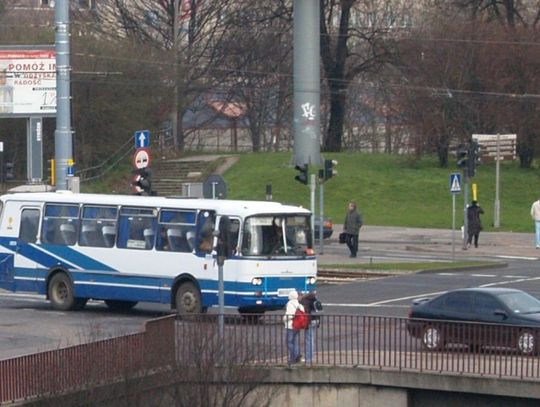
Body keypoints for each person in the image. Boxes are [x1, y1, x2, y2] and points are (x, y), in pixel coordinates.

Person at [283, 290, 304, 365]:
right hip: (297, 325)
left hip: (290, 325)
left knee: (289, 342)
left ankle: (295, 356)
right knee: (294, 342)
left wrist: (284, 318)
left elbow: (290, 315)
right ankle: (296, 356)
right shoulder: (299, 304)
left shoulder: (290, 304)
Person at [299, 292, 320, 364]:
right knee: (311, 339)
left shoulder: (304, 301)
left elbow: (305, 312)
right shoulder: (314, 299)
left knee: (309, 341)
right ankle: (310, 357)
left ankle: (309, 359)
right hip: (316, 320)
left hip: (309, 321)